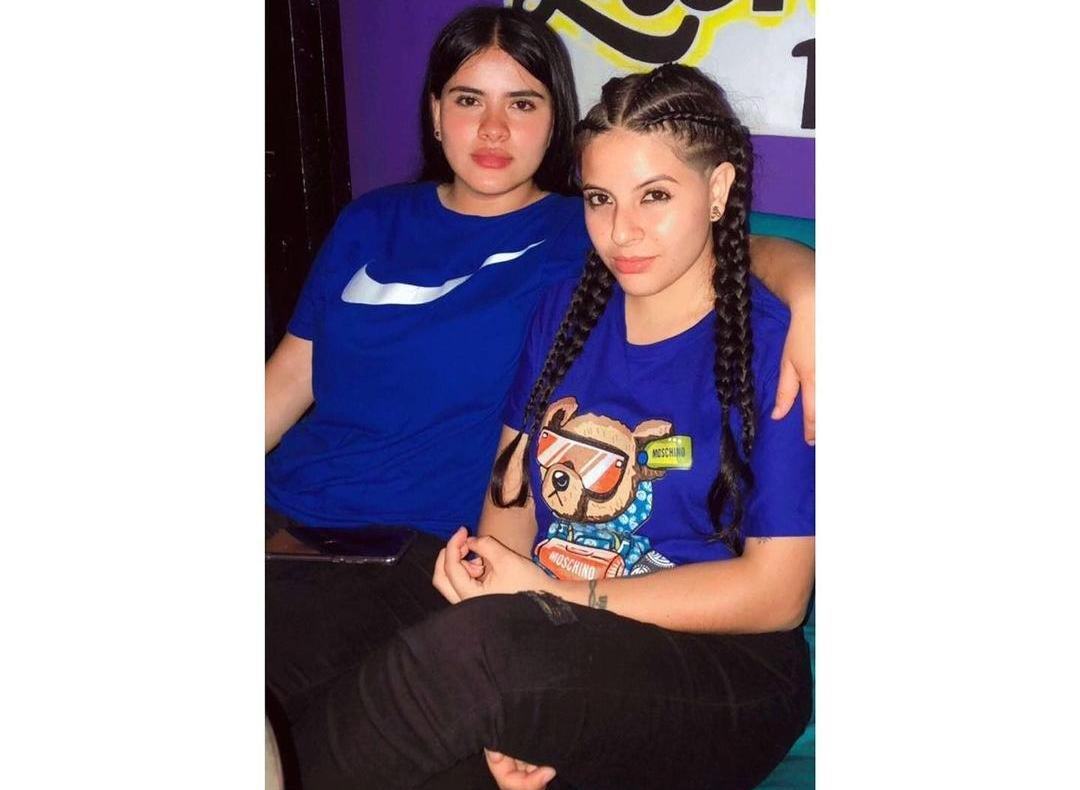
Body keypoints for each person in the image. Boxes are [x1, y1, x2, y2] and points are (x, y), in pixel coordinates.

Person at [265, 4, 815, 738]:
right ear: (434, 113)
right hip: (289, 520)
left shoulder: (576, 242)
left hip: (407, 549)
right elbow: (287, 380)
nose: (493, 130)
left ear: (554, 121)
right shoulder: (372, 221)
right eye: (469, 100)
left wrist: (811, 286)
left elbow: (716, 244)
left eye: (522, 104)